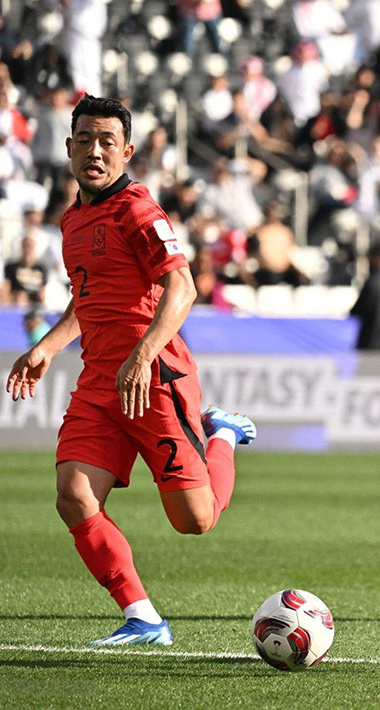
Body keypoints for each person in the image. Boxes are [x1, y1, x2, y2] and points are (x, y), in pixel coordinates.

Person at [5, 96, 258, 646]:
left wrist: (142, 355)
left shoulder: (138, 211)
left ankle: (222, 435)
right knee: (74, 496)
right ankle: (144, 617)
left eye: (107, 142)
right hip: (100, 383)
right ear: (68, 147)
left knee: (194, 520)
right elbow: (88, 300)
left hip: (154, 379)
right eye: (85, 140)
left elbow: (182, 287)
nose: (94, 152)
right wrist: (47, 348)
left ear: (127, 152)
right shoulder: (73, 220)